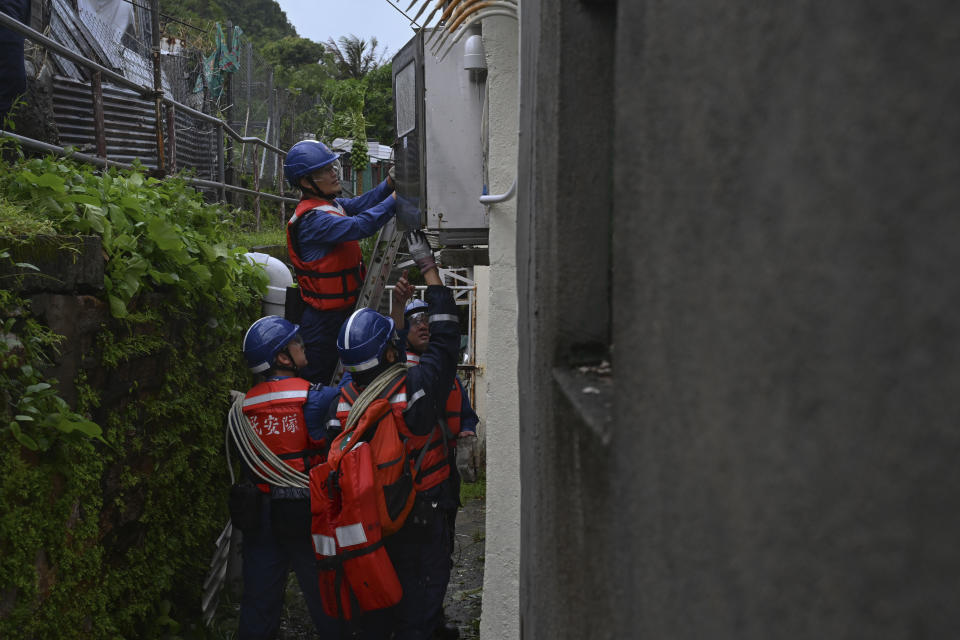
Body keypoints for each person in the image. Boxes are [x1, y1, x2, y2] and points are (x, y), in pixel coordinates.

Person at [328, 231, 460, 639]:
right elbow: (446, 339)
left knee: (384, 604)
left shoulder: (345, 400)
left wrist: (397, 310)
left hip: (374, 522)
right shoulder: (415, 389)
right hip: (422, 516)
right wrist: (429, 268)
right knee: (419, 605)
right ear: (391, 351)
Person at [236, 315, 342, 639]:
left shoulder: (243, 408)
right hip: (303, 511)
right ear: (282, 357)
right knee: (324, 593)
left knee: (258, 601)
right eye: (296, 342)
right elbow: (353, 389)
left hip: (259, 512)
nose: (303, 345)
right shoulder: (314, 398)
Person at [390, 293, 479, 640]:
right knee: (413, 560)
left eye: (427, 319)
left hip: (445, 481)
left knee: (442, 553)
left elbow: (466, 414)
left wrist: (468, 430)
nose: (423, 325)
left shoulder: (449, 377)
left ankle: (432, 617)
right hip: (412, 483)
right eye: (414, 322)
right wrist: (398, 309)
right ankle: (414, 623)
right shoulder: (402, 373)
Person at [283, 139, 397, 385]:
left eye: (331, 167)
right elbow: (362, 225)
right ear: (306, 182)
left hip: (341, 311)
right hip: (322, 323)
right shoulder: (313, 220)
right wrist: (398, 198)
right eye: (324, 171)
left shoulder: (330, 205)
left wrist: (389, 184)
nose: (333, 173)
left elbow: (359, 205)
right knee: (319, 381)